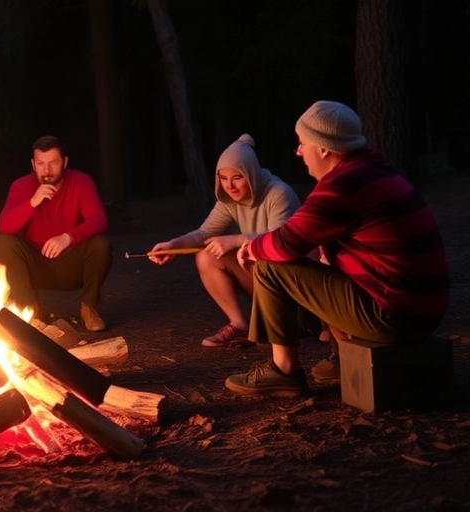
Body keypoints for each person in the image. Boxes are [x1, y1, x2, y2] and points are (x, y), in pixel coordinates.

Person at [226, 101, 449, 396]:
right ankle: (343, 358)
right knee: (326, 262)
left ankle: (283, 372)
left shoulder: (343, 187)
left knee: (270, 266)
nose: (299, 151)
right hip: (418, 310)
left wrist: (252, 247)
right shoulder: (372, 172)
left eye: (302, 143)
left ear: (324, 149)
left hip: (396, 315)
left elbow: (285, 243)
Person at [149, 134, 301, 347]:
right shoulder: (229, 199)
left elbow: (279, 241)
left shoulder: (278, 194)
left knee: (263, 260)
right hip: (261, 275)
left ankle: (290, 323)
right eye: (223, 178)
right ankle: (239, 323)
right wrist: (174, 245)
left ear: (251, 174)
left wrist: (237, 240)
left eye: (237, 177)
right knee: (206, 255)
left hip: (292, 284)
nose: (230, 186)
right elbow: (204, 233)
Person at [0, 135, 111, 331]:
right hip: (38, 265)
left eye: (53, 163)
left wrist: (68, 237)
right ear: (33, 164)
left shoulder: (81, 182)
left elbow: (99, 221)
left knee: (101, 245)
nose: (46, 170)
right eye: (40, 163)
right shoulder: (22, 186)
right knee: (3, 243)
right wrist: (32, 202)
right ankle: (31, 310)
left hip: (72, 266)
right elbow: (4, 225)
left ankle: (89, 308)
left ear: (64, 162)